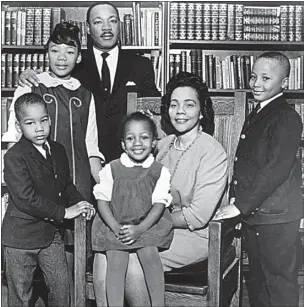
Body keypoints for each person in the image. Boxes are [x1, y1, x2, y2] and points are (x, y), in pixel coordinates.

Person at [93, 72, 228, 306]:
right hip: (151, 225)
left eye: (189, 104)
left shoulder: (212, 152)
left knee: (135, 258)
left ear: (202, 111)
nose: (180, 111)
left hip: (195, 234)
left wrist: (142, 223)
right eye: (174, 105)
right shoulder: (162, 145)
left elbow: (197, 215)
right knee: (104, 252)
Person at [2, 21, 104, 303]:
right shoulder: (30, 87)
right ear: (45, 53)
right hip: (38, 182)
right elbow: (14, 139)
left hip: (75, 180)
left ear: (79, 56)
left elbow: (91, 146)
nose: (62, 57)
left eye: (69, 51)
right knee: (34, 248)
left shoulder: (85, 94)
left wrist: (104, 188)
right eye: (55, 50)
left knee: (67, 254)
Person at [18, 2, 161, 162]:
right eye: (98, 22)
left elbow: (154, 108)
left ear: (119, 25)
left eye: (112, 21)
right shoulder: (74, 62)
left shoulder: (141, 64)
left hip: (128, 157)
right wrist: (29, 75)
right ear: (87, 28)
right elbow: (51, 80)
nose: (106, 28)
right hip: (82, 159)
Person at [214, 52, 303, 307]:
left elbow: (276, 168)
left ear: (284, 82)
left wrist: (241, 205)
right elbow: (247, 162)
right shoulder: (261, 111)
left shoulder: (286, 117)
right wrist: (239, 200)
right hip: (258, 213)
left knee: (278, 281)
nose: (256, 83)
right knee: (258, 280)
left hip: (276, 217)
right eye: (254, 76)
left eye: (265, 78)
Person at [1, 92, 96, 307]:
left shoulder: (59, 150)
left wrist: (82, 203)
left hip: (50, 234)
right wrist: (64, 213)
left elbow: (66, 186)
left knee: (62, 287)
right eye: (30, 123)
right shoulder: (14, 157)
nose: (39, 128)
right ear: (19, 127)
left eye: (43, 120)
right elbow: (26, 199)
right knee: (20, 296)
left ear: (50, 119)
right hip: (20, 239)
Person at [92, 112, 173, 307]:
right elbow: (102, 201)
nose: (137, 143)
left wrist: (140, 229)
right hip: (115, 223)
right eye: (130, 138)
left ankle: (158, 304)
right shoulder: (111, 169)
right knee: (116, 259)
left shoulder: (159, 171)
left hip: (146, 225)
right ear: (123, 144)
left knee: (149, 254)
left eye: (144, 137)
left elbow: (159, 205)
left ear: (154, 142)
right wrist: (115, 227)